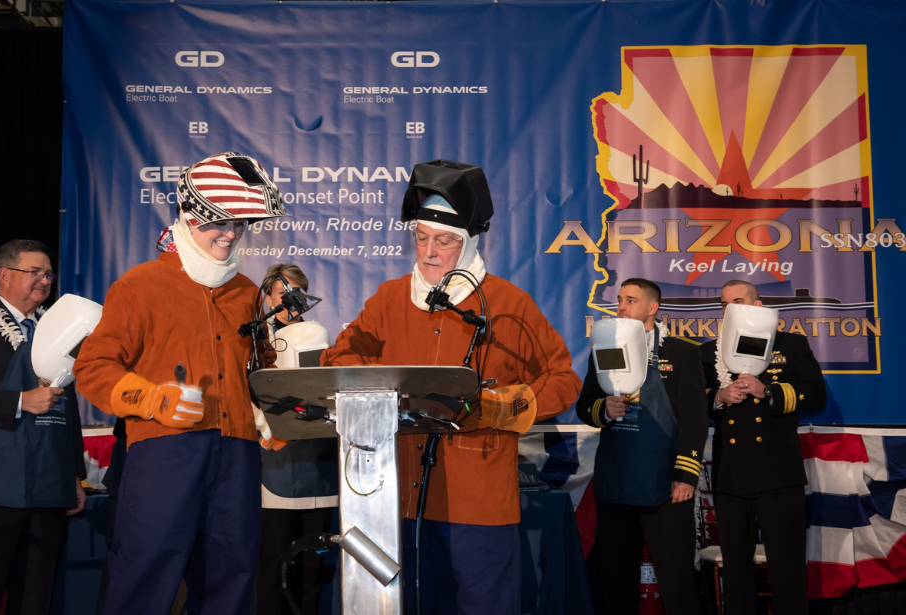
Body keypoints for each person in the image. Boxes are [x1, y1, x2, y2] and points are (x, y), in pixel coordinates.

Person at [321, 160, 581, 615]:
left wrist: (504, 408)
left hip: (478, 503)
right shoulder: (388, 298)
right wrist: (378, 391)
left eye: (443, 240)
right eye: (421, 238)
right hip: (395, 497)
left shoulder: (507, 304)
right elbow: (339, 359)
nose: (429, 251)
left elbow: (564, 380)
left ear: (469, 242)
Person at [73, 152, 286, 615]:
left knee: (231, 579)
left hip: (237, 456)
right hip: (163, 452)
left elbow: (261, 368)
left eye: (239, 224)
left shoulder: (248, 292)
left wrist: (277, 410)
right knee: (144, 576)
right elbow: (92, 366)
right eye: (218, 223)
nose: (229, 234)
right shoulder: (140, 285)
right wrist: (149, 398)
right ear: (189, 217)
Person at [0, 239, 87, 615]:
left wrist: (74, 475)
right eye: (34, 272)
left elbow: (68, 408)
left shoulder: (60, 334)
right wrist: (21, 401)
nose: (44, 280)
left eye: (48, 274)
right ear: (4, 275)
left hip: (47, 484)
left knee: (35, 601)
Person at [577, 278, 706, 615]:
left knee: (676, 578)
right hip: (616, 481)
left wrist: (686, 475)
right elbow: (584, 405)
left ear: (652, 308)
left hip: (666, 484)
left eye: (631, 300)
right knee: (615, 579)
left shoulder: (683, 352)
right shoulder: (603, 348)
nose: (621, 306)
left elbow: (695, 419)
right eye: (619, 299)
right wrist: (603, 409)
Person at [700, 280, 826, 615]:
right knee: (737, 571)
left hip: (778, 473)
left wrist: (768, 390)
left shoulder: (792, 345)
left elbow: (816, 394)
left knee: (786, 568)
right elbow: (688, 405)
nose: (729, 309)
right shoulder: (708, 352)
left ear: (757, 307)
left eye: (738, 301)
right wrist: (718, 397)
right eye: (724, 304)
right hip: (731, 475)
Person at [255, 263, 337, 615]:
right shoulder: (254, 340)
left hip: (319, 463)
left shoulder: (317, 338)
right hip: (276, 465)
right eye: (283, 295)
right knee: (274, 562)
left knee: (312, 568)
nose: (291, 305)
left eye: (297, 297)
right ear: (266, 296)